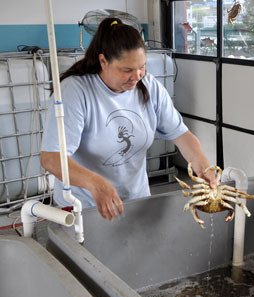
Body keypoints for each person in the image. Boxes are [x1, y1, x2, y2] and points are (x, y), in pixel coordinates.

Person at [41, 17, 216, 220]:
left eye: (142, 67)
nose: (137, 76)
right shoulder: (75, 92)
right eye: (127, 70)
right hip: (85, 207)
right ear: (103, 61)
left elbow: (182, 135)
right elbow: (51, 159)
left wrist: (202, 164)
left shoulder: (149, 86)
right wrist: (95, 183)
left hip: (136, 201)